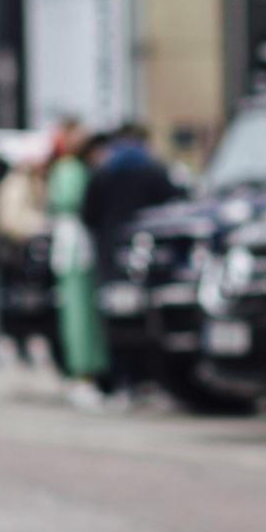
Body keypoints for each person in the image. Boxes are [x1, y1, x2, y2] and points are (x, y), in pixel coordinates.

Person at [80, 126, 182, 395]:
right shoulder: (156, 170)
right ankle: (153, 380)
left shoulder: (101, 174)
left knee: (116, 322)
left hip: (112, 256)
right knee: (150, 320)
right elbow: (174, 208)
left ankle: (122, 380)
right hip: (149, 257)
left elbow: (88, 215)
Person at [44, 119, 107, 396]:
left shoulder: (70, 169)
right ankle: (82, 371)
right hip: (75, 246)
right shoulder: (70, 169)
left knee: (80, 312)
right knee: (79, 314)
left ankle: (84, 370)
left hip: (75, 244)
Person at [0, 145, 53, 363]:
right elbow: (10, 222)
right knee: (20, 304)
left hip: (27, 252)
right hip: (19, 254)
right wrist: (39, 226)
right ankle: (20, 342)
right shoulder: (14, 186)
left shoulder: (30, 183)